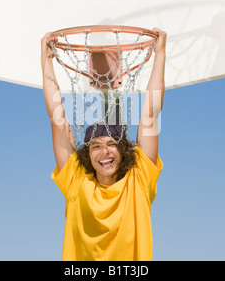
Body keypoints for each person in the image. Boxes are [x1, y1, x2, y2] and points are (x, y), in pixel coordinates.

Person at [41, 28, 167, 261]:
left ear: (124, 150)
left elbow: (150, 113)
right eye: (95, 146)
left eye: (111, 144)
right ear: (87, 154)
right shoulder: (77, 181)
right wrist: (46, 61)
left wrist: (160, 54)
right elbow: (57, 120)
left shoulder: (138, 178)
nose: (104, 151)